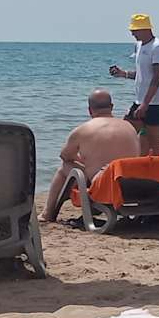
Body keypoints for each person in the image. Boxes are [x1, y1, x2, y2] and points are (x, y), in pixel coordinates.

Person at [45, 89, 141, 223]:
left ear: (90, 110)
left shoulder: (83, 130)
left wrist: (84, 162)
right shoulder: (130, 127)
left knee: (64, 168)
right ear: (112, 107)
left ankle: (48, 213)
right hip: (131, 186)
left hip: (104, 186)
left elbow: (65, 156)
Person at [108, 11, 159, 156]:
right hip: (140, 101)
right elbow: (142, 75)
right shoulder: (139, 46)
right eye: (132, 30)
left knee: (154, 142)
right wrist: (123, 74)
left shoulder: (158, 47)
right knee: (127, 134)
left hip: (155, 104)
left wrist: (145, 104)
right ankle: (138, 166)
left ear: (145, 29)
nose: (132, 33)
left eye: (135, 30)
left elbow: (157, 78)